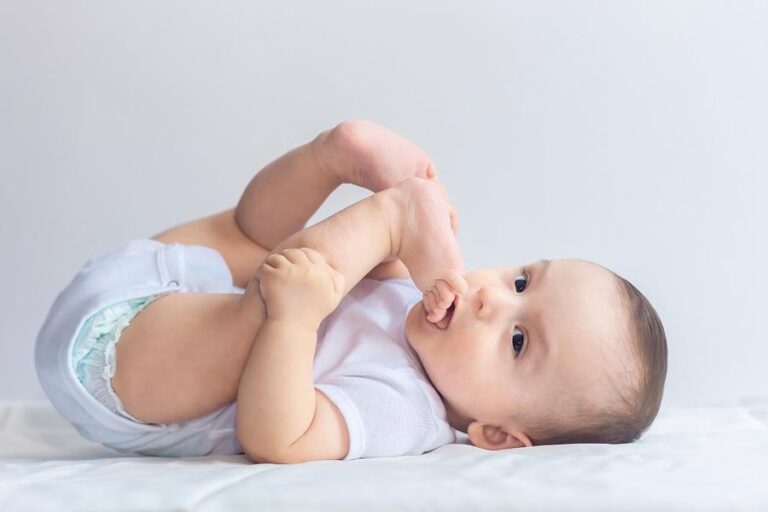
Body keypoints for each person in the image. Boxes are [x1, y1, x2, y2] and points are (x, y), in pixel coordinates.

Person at [34, 120, 667, 463]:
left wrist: (293, 323)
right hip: (168, 278)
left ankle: (388, 211)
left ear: (496, 435)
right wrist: (395, 254)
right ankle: (331, 157)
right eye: (521, 281)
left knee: (275, 299)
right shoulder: (423, 303)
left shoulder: (407, 409)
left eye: (519, 339)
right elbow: (304, 253)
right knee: (259, 242)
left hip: (132, 374)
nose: (490, 298)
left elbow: (279, 439)